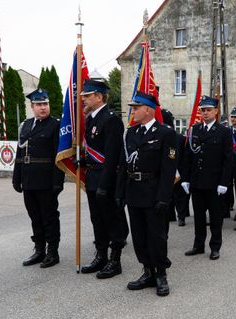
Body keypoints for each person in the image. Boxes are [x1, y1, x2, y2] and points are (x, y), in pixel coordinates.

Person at [116, 92, 177, 297]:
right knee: (139, 236)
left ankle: (161, 274)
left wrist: (163, 197)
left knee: (156, 236)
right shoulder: (130, 133)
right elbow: (124, 165)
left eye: (136, 107)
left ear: (148, 110)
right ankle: (147, 271)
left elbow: (168, 170)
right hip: (134, 191)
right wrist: (120, 192)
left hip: (153, 192)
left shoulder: (166, 133)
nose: (132, 110)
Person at [78, 80, 128, 279]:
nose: (83, 99)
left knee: (112, 219)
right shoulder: (91, 119)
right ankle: (101, 256)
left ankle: (115, 261)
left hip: (106, 180)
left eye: (87, 96)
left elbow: (112, 157)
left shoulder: (111, 120)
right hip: (93, 177)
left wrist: (105, 185)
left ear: (99, 97)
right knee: (97, 219)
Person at [13, 89, 64, 268]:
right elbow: (20, 152)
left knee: (49, 216)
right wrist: (16, 177)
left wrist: (57, 182)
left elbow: (59, 155)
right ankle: (39, 249)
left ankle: (52, 252)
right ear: (32, 106)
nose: (43, 108)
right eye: (39, 105)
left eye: (45, 104)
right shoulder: (25, 125)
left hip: (46, 180)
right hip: (28, 180)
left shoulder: (55, 125)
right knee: (34, 216)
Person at [181, 96, 233, 260]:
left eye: (208, 109)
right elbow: (188, 155)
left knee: (216, 217)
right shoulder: (195, 130)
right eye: (202, 110)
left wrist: (224, 182)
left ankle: (215, 246)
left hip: (215, 183)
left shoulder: (224, 131)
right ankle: (198, 245)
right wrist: (185, 178)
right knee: (198, 216)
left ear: (216, 111)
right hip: (197, 182)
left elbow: (228, 159)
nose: (205, 113)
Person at [162, 109, 190, 227]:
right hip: (177, 169)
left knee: (174, 194)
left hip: (174, 169)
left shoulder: (173, 136)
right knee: (178, 196)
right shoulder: (179, 137)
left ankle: (175, 216)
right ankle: (180, 216)